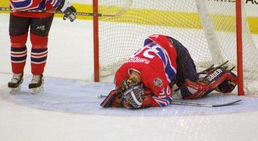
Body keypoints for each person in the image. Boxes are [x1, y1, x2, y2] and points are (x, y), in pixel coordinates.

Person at [101, 34, 238, 109]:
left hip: (175, 50)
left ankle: (222, 73)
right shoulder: (120, 75)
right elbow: (120, 92)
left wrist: (147, 101)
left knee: (191, 91)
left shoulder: (152, 76)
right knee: (166, 86)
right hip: (157, 47)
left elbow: (165, 99)